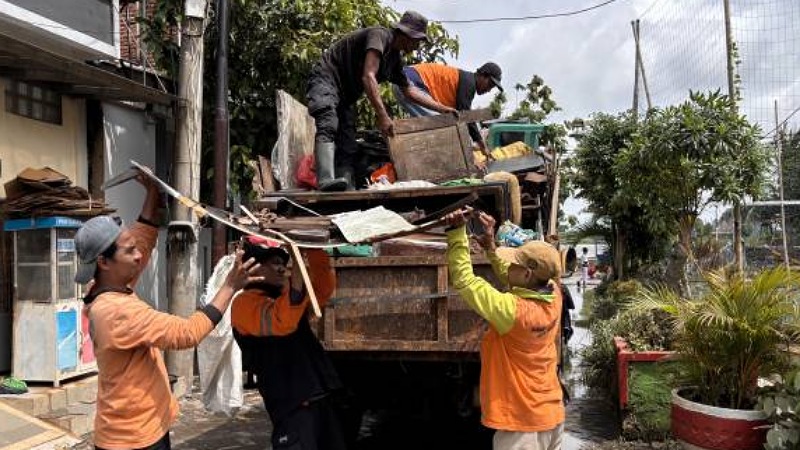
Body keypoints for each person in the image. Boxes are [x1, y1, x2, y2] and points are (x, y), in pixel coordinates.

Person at [76, 171, 263, 450]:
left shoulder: (104, 286)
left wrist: (152, 196)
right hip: (134, 439)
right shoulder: (117, 311)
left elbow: (140, 242)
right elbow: (187, 333)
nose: (138, 255)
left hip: (139, 430)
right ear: (104, 262)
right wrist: (229, 287)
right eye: (128, 252)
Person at [444, 208, 565, 450]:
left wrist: (456, 233)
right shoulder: (554, 294)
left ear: (528, 273)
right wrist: (491, 247)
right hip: (552, 417)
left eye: (514, 263)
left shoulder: (513, 311)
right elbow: (513, 277)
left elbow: (465, 281)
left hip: (522, 428)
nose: (508, 265)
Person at [307, 10, 457, 192]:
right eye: (417, 41)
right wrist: (383, 116)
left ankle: (345, 187)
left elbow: (409, 90)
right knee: (328, 123)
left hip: (344, 96)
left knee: (348, 142)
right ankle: (324, 181)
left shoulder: (394, 60)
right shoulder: (379, 36)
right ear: (408, 35)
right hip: (326, 78)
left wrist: (442, 108)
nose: (417, 46)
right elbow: (368, 76)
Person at [231, 236, 346, 450]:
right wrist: (297, 261)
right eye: (273, 262)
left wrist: (312, 247)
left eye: (283, 263)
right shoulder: (243, 304)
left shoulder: (283, 296)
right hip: (293, 406)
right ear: (252, 268)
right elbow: (284, 322)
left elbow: (323, 287)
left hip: (319, 397)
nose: (281, 268)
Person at [393, 61, 504, 160]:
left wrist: (480, 146)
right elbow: (466, 119)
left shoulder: (464, 82)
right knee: (446, 128)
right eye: (490, 85)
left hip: (404, 83)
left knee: (439, 128)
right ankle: (466, 162)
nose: (489, 90)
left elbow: (466, 119)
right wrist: (482, 148)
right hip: (409, 84)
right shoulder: (469, 82)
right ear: (483, 75)